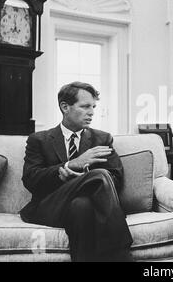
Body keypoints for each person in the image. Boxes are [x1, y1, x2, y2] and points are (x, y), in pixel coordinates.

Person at [20, 82, 133, 262]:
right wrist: (70, 165)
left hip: (84, 207)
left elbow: (116, 179)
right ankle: (122, 254)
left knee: (82, 206)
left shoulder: (102, 138)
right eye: (85, 106)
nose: (92, 112)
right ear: (65, 107)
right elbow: (31, 179)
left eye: (93, 107)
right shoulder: (39, 140)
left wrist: (84, 179)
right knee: (99, 175)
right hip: (51, 206)